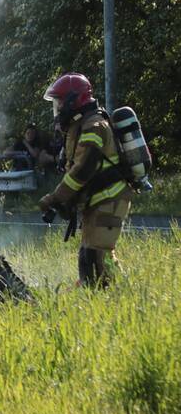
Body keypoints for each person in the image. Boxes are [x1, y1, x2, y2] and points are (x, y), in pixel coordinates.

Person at [38, 72, 131, 287]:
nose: (58, 108)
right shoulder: (79, 125)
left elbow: (83, 171)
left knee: (94, 257)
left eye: (60, 102)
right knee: (93, 255)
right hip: (99, 199)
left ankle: (115, 294)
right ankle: (118, 291)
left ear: (74, 100)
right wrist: (68, 202)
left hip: (110, 198)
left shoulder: (94, 126)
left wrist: (55, 198)